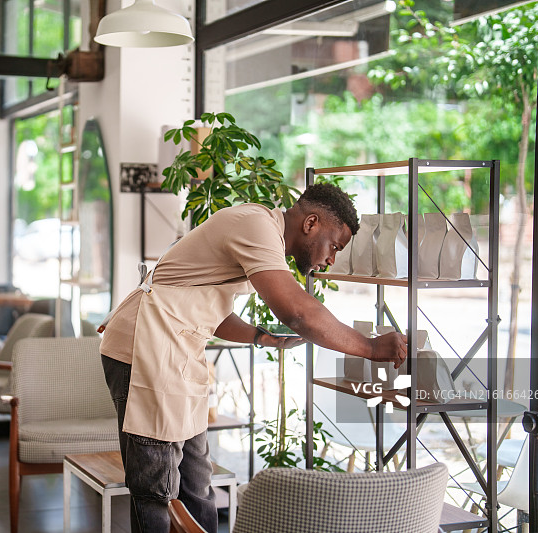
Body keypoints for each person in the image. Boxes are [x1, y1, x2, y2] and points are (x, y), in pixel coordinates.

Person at [98, 183, 408, 533]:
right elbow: (299, 312)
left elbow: (205, 308)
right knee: (155, 489)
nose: (331, 259)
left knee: (197, 484)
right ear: (310, 224)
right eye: (334, 246)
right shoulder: (256, 225)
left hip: (175, 353)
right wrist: (369, 347)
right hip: (141, 349)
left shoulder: (263, 234)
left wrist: (261, 337)